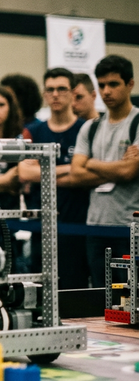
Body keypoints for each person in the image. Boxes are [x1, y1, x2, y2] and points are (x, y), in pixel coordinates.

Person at [70, 55, 139, 287]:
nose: (106, 91)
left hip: (129, 229)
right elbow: (77, 172)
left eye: (113, 84)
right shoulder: (91, 127)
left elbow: (129, 171)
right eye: (101, 85)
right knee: (101, 297)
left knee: (131, 302)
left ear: (130, 84)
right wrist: (116, 167)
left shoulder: (137, 122)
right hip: (95, 228)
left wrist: (91, 162)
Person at [18, 68, 89, 288]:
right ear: (44, 93)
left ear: (72, 92)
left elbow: (88, 176)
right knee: (41, 290)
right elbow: (24, 173)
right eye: (50, 89)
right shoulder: (33, 131)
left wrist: (43, 172)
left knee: (74, 291)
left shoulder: (85, 130)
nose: (55, 94)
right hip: (42, 225)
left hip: (77, 224)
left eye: (61, 89)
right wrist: (70, 168)